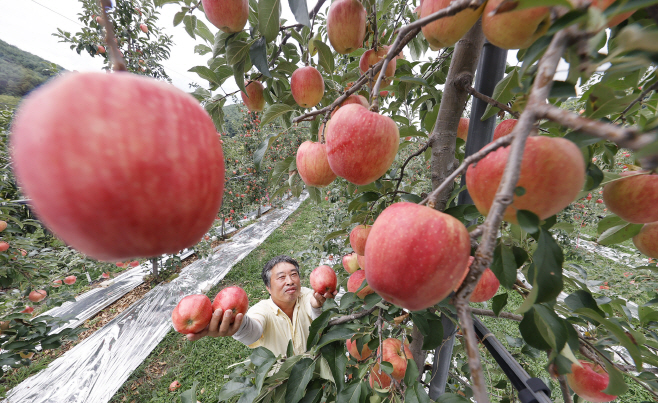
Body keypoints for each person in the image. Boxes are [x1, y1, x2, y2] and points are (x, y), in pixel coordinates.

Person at [187, 255, 337, 356]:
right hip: (280, 383)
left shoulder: (307, 295)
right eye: (281, 277)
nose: (290, 281)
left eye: (293, 274)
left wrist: (317, 306)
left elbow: (314, 312)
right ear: (268, 287)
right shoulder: (262, 310)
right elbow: (253, 331)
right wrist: (238, 326)